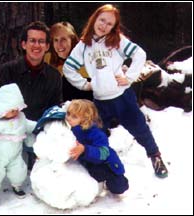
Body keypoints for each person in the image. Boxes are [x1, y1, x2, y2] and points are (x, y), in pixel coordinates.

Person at [63, 4, 168, 178]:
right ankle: (102, 169)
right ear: (94, 19)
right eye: (102, 20)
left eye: (109, 24)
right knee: (97, 135)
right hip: (100, 101)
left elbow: (139, 54)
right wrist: (84, 84)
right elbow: (68, 68)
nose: (104, 25)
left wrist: (130, 77)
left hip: (122, 98)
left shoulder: (116, 40)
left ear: (114, 27)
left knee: (139, 128)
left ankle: (155, 156)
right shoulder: (83, 45)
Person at [0, 21, 63, 201]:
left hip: (32, 131)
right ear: (24, 44)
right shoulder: (7, 70)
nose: (37, 45)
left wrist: (50, 128)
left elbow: (55, 108)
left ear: (47, 46)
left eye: (41, 41)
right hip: (4, 128)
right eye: (32, 40)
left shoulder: (54, 76)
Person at [0, 83, 36, 208]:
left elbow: (28, 125)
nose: (15, 113)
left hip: (15, 154)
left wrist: (38, 126)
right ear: (2, 108)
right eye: (11, 110)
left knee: (19, 171)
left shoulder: (21, 118)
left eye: (17, 109)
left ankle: (16, 185)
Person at [66, 99, 129, 195]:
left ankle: (117, 181)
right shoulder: (70, 126)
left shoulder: (96, 133)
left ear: (85, 119)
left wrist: (85, 149)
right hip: (88, 161)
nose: (68, 118)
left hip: (106, 164)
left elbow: (104, 153)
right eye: (68, 113)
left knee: (118, 187)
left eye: (74, 116)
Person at [44, 21, 92, 101]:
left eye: (63, 39)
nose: (59, 44)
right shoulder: (47, 59)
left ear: (72, 40)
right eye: (56, 40)